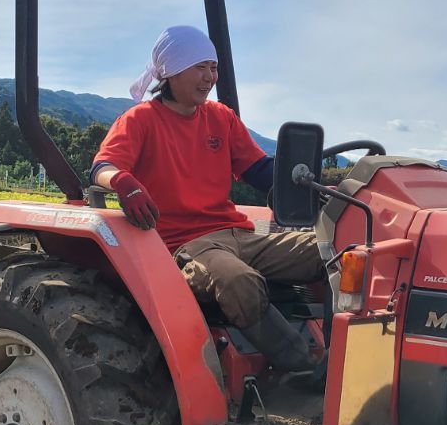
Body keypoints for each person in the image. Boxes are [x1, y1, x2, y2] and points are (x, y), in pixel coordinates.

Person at [91, 25, 322, 373]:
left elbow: (259, 170)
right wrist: (123, 182)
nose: (209, 77)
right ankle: (307, 369)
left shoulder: (221, 118)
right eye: (199, 67)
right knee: (238, 282)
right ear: (170, 72)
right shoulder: (141, 120)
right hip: (187, 244)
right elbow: (101, 167)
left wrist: (306, 185)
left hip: (239, 235)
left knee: (337, 251)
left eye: (213, 68)